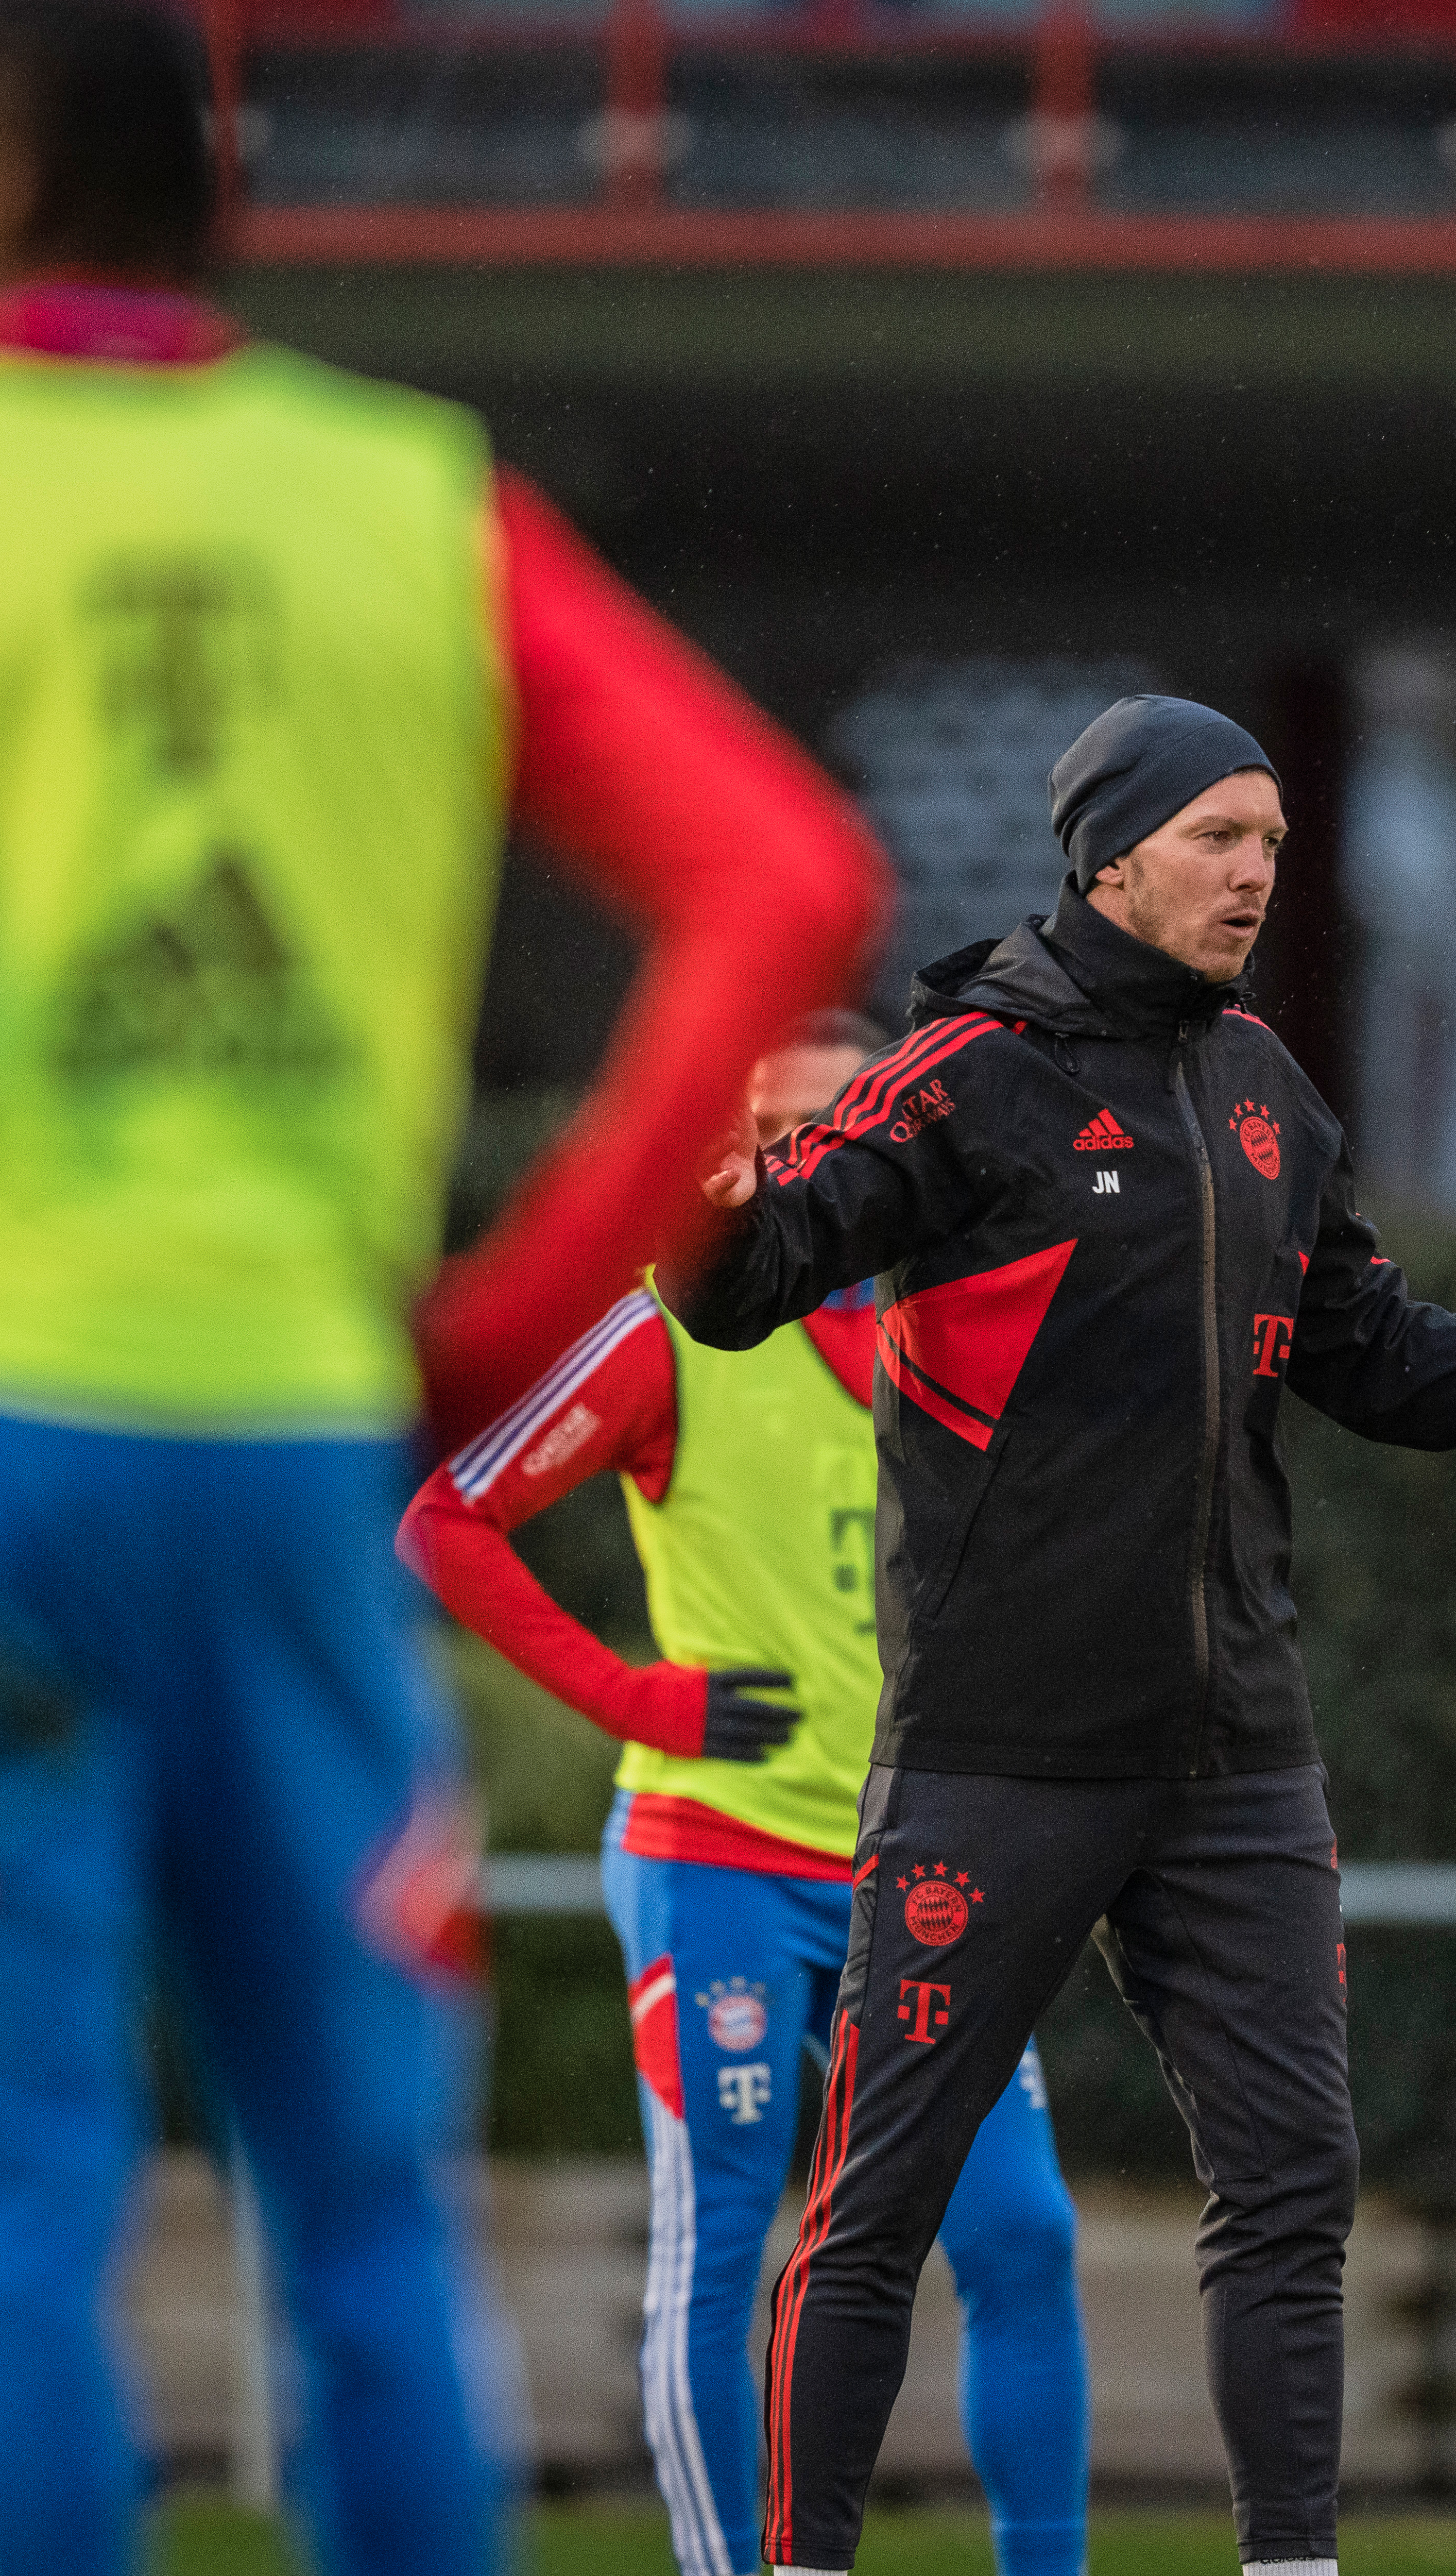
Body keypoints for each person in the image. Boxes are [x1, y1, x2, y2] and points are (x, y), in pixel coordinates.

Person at [0, 5, 883, 2567]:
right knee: (361, 2214)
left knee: (0, 2223)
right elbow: (784, 877)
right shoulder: (416, 500)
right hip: (289, 1424)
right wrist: (505, 1302)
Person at [670, 692, 1456, 2576]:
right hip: (993, 1755)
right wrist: (693, 1220)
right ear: (1108, 852)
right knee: (878, 2206)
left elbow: (1393, 1362)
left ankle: (1293, 2566)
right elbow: (765, 1269)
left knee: (1293, 2196)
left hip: (1236, 1763)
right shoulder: (964, 1072)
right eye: (1219, 838)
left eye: (1274, 843)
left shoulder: (1270, 1091)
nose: (1256, 874)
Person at [408, 1013, 1093, 2576]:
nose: (801, 1160)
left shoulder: (967, 1337)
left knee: (1019, 2240)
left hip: (923, 1872)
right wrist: (639, 1699)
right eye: (772, 1129)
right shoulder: (669, 1325)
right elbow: (448, 1517)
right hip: (712, 1861)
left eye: (832, 1128)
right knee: (726, 2243)